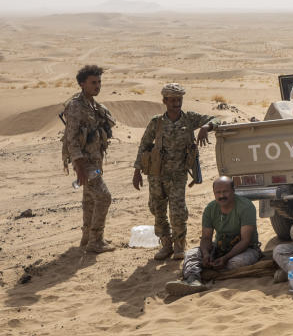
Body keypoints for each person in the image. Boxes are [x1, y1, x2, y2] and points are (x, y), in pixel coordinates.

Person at [132, 83, 219, 260]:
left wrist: (205, 127)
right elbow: (144, 145)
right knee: (157, 209)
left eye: (179, 99)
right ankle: (166, 244)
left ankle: (180, 245)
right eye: (172, 100)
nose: (176, 103)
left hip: (179, 173)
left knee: (178, 210)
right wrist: (137, 170)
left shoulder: (189, 119)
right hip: (157, 174)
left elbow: (215, 119)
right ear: (164, 101)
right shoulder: (156, 122)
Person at [165, 176, 261, 297]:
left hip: (246, 249)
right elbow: (206, 238)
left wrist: (225, 258)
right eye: (218, 192)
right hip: (220, 248)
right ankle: (193, 280)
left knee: (235, 263)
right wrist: (205, 254)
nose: (222, 196)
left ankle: (206, 274)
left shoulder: (246, 207)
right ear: (214, 193)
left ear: (233, 190)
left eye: (225, 191)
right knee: (191, 254)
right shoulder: (210, 209)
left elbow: (245, 241)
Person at [61, 64, 116, 253]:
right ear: (82, 84)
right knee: (104, 197)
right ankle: (96, 241)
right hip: (86, 163)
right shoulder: (76, 106)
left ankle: (87, 238)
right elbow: (71, 138)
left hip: (96, 160)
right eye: (93, 82)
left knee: (89, 199)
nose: (98, 86)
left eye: (99, 82)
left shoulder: (93, 104)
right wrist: (79, 166)